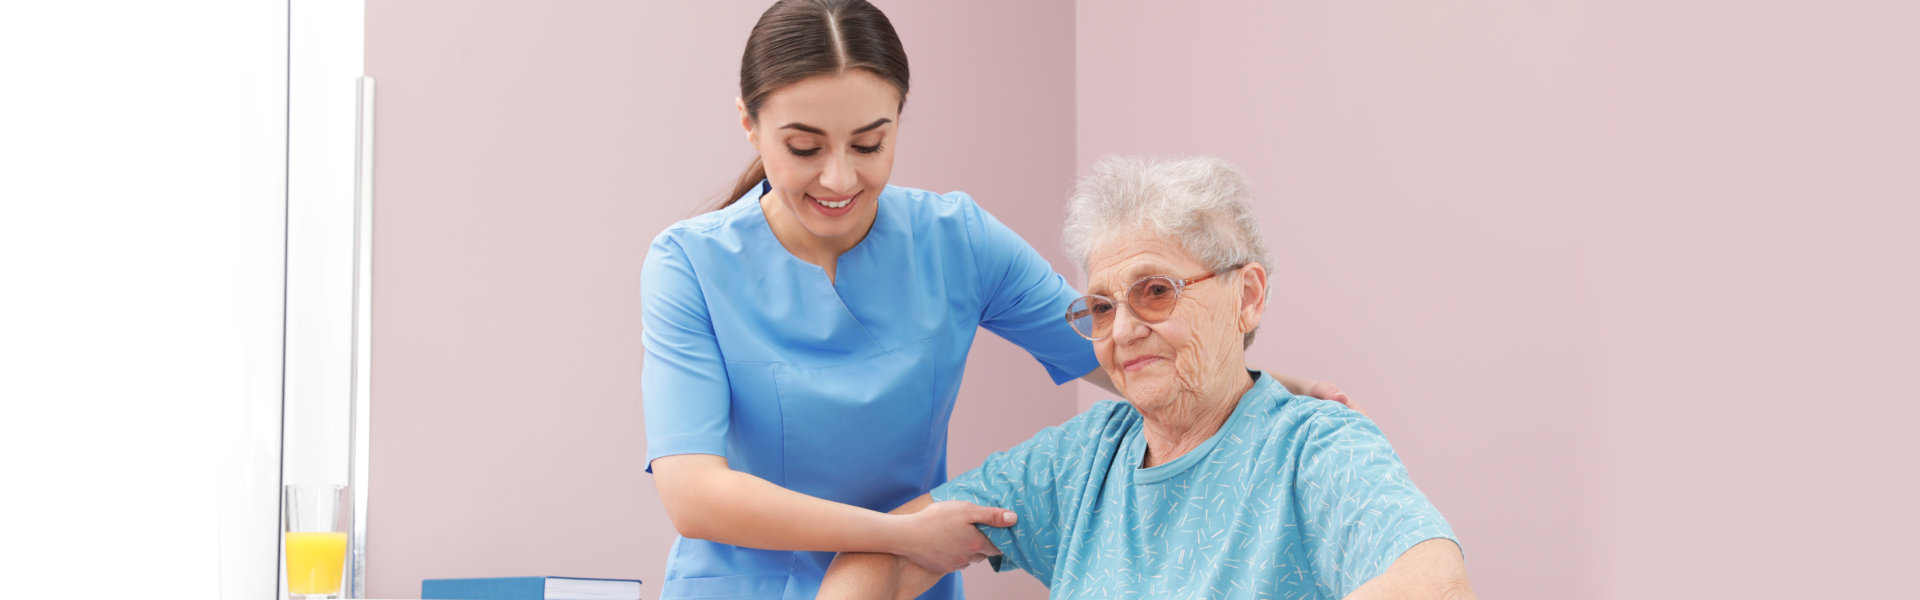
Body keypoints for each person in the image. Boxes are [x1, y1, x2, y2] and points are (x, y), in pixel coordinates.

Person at [641, 2, 1354, 598]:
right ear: (750, 125)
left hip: (898, 583)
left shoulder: (955, 239)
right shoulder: (689, 264)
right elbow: (693, 494)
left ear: (899, 119)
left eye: (869, 143)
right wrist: (898, 531)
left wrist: (1263, 385)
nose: (839, 177)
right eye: (803, 148)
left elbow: (1112, 343)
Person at [818, 156, 1472, 600]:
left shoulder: (1314, 448)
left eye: (1155, 291)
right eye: (1102, 307)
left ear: (1246, 296)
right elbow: (894, 550)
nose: (1123, 330)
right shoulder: (1081, 460)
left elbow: (1436, 579)